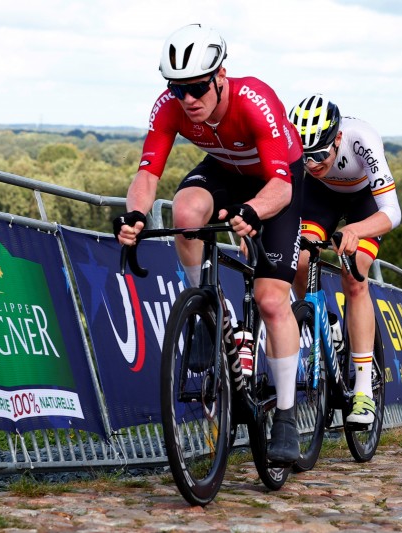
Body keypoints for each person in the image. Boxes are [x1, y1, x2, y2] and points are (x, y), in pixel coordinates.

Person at [113, 24, 305, 463]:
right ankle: (207, 311)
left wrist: (254, 211)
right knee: (184, 212)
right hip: (223, 169)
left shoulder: (255, 102)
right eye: (178, 90)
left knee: (272, 300)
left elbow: (281, 186)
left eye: (198, 88)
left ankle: (288, 418)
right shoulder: (171, 106)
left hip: (277, 180)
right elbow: (147, 176)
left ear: (221, 76)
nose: (188, 100)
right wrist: (138, 215)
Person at [288, 94, 401, 425]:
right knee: (300, 259)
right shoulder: (308, 160)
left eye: (320, 155)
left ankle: (363, 391)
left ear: (337, 138)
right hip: (321, 197)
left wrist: (356, 230)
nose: (312, 164)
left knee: (355, 277)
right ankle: (326, 324)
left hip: (364, 200)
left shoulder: (361, 141)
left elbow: (392, 213)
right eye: (305, 157)